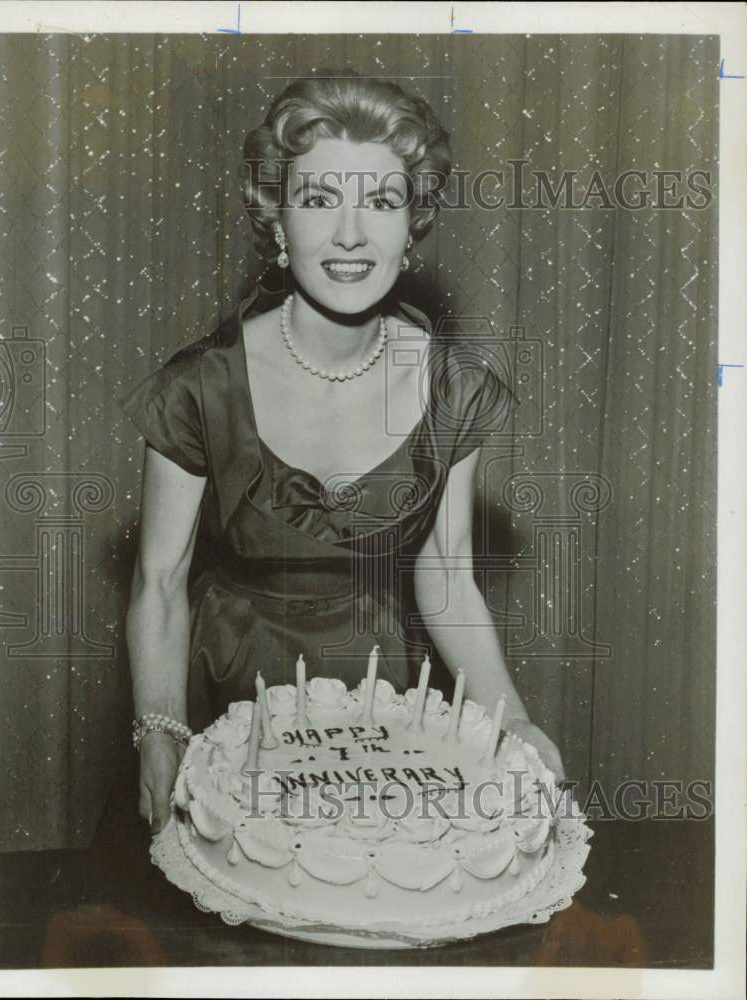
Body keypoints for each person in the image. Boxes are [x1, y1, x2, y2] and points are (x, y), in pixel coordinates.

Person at [120, 72, 564, 837]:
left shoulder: (451, 387)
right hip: (222, 690)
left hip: (386, 689)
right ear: (276, 219)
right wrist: (158, 731)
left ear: (412, 223)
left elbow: (449, 579)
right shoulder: (199, 386)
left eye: (382, 203)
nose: (351, 235)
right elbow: (159, 580)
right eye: (320, 200)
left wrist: (513, 724)